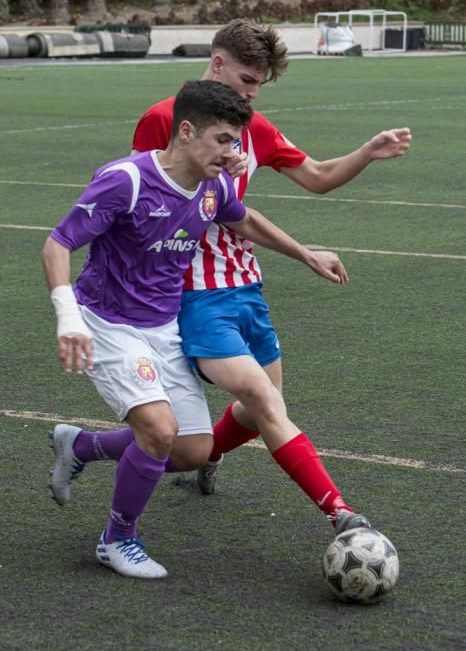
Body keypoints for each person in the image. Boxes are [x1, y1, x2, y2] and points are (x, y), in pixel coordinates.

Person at [49, 19, 411, 538]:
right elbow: (145, 202)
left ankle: (100, 446)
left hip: (246, 285)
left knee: (251, 410)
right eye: (246, 80)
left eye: (259, 86)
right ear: (218, 64)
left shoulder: (253, 126)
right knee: (262, 401)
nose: (252, 94)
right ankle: (341, 514)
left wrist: (366, 154)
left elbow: (313, 178)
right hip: (190, 291)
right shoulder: (164, 121)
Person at [44, 79, 350, 579]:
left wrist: (306, 253)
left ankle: (80, 446)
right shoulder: (125, 180)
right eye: (223, 140)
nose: (232, 154)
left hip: (163, 327)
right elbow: (57, 245)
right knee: (160, 430)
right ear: (186, 131)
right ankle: (118, 538)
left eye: (236, 142)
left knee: (192, 450)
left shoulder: (213, 186)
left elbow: (243, 219)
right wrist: (68, 316)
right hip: (108, 325)